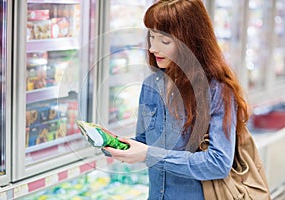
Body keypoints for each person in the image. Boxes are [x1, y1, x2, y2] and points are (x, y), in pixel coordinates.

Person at [104, 0, 249, 199]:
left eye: (164, 41)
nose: (153, 48)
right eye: (151, 37)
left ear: (190, 41)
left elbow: (218, 163)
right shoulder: (151, 86)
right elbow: (144, 143)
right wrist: (112, 143)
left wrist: (150, 155)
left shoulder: (217, 90)